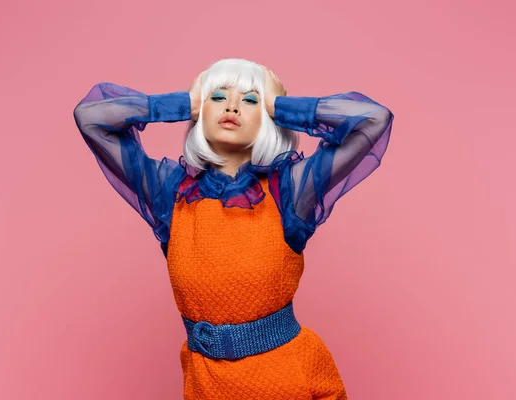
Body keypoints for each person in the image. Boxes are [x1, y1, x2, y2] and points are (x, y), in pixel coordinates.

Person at [73, 58, 394, 400]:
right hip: (206, 386)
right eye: (217, 96)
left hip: (292, 383)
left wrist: (279, 105)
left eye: (251, 100)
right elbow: (91, 117)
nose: (232, 106)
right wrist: (185, 104)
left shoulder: (290, 190)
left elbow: (374, 119)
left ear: (267, 118)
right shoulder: (170, 193)